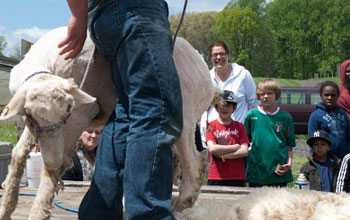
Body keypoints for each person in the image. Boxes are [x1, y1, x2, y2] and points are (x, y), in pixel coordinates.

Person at [59, 0, 183, 219]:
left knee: (129, 112)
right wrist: (78, 14)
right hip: (135, 11)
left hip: (116, 14)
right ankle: (149, 214)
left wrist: (80, 14)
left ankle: (99, 213)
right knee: (155, 111)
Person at [199, 41, 259, 149]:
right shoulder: (206, 77)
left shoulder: (243, 75)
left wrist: (251, 132)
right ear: (211, 58)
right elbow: (204, 107)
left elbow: (254, 104)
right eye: (215, 55)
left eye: (222, 54)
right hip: (213, 139)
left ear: (228, 55)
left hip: (238, 138)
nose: (218, 57)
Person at [244, 79, 296, 187]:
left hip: (278, 169)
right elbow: (245, 142)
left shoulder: (285, 117)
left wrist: (289, 162)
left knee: (278, 202)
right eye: (262, 94)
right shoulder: (251, 115)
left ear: (276, 95)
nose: (265, 96)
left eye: (269, 93)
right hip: (257, 170)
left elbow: (289, 144)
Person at [206, 90, 249, 187]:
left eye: (228, 105)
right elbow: (213, 149)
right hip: (216, 175)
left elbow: (244, 151)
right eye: (222, 105)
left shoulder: (240, 127)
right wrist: (235, 147)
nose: (224, 108)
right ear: (216, 107)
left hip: (237, 176)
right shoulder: (211, 126)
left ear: (234, 108)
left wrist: (222, 156)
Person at [308, 81, 350, 159]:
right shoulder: (316, 115)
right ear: (321, 96)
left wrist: (346, 154)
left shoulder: (343, 115)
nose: (329, 98)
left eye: (333, 95)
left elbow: (348, 138)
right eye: (326, 95)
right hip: (323, 159)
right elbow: (311, 140)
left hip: (341, 158)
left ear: (338, 96)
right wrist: (313, 157)